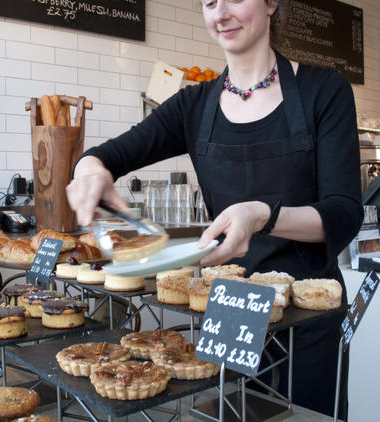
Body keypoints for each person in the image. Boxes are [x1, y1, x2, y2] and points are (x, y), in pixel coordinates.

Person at [66, 0, 363, 417]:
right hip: (230, 318)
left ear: (271, 3)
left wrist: (264, 215)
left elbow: (344, 213)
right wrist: (89, 171)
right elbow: (104, 156)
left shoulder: (324, 90)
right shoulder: (194, 105)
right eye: (208, 1)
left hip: (306, 315)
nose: (220, 13)